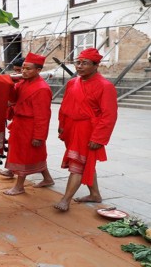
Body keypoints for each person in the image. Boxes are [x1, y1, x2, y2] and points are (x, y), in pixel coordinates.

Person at [54, 48, 118, 211]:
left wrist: (99, 138)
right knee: (85, 162)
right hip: (72, 128)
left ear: (96, 65)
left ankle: (65, 200)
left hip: (89, 130)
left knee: (78, 164)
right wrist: (62, 125)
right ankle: (95, 194)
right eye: (78, 62)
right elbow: (64, 106)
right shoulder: (72, 83)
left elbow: (109, 115)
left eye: (85, 63)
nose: (80, 66)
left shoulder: (105, 86)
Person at [3, 53, 54, 196]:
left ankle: (19, 186)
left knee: (24, 156)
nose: (23, 72)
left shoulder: (42, 88)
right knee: (33, 154)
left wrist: (39, 136)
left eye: (28, 69)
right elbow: (14, 99)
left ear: (38, 71)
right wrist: (9, 85)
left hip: (30, 126)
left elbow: (43, 116)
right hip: (20, 124)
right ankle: (48, 179)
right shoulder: (23, 83)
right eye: (23, 68)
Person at [0, 55, 25, 178]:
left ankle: (16, 175)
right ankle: (11, 170)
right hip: (18, 119)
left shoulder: (37, 86)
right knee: (14, 146)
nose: (17, 73)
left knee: (21, 149)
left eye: (20, 70)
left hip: (26, 121)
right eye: (16, 70)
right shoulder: (18, 82)